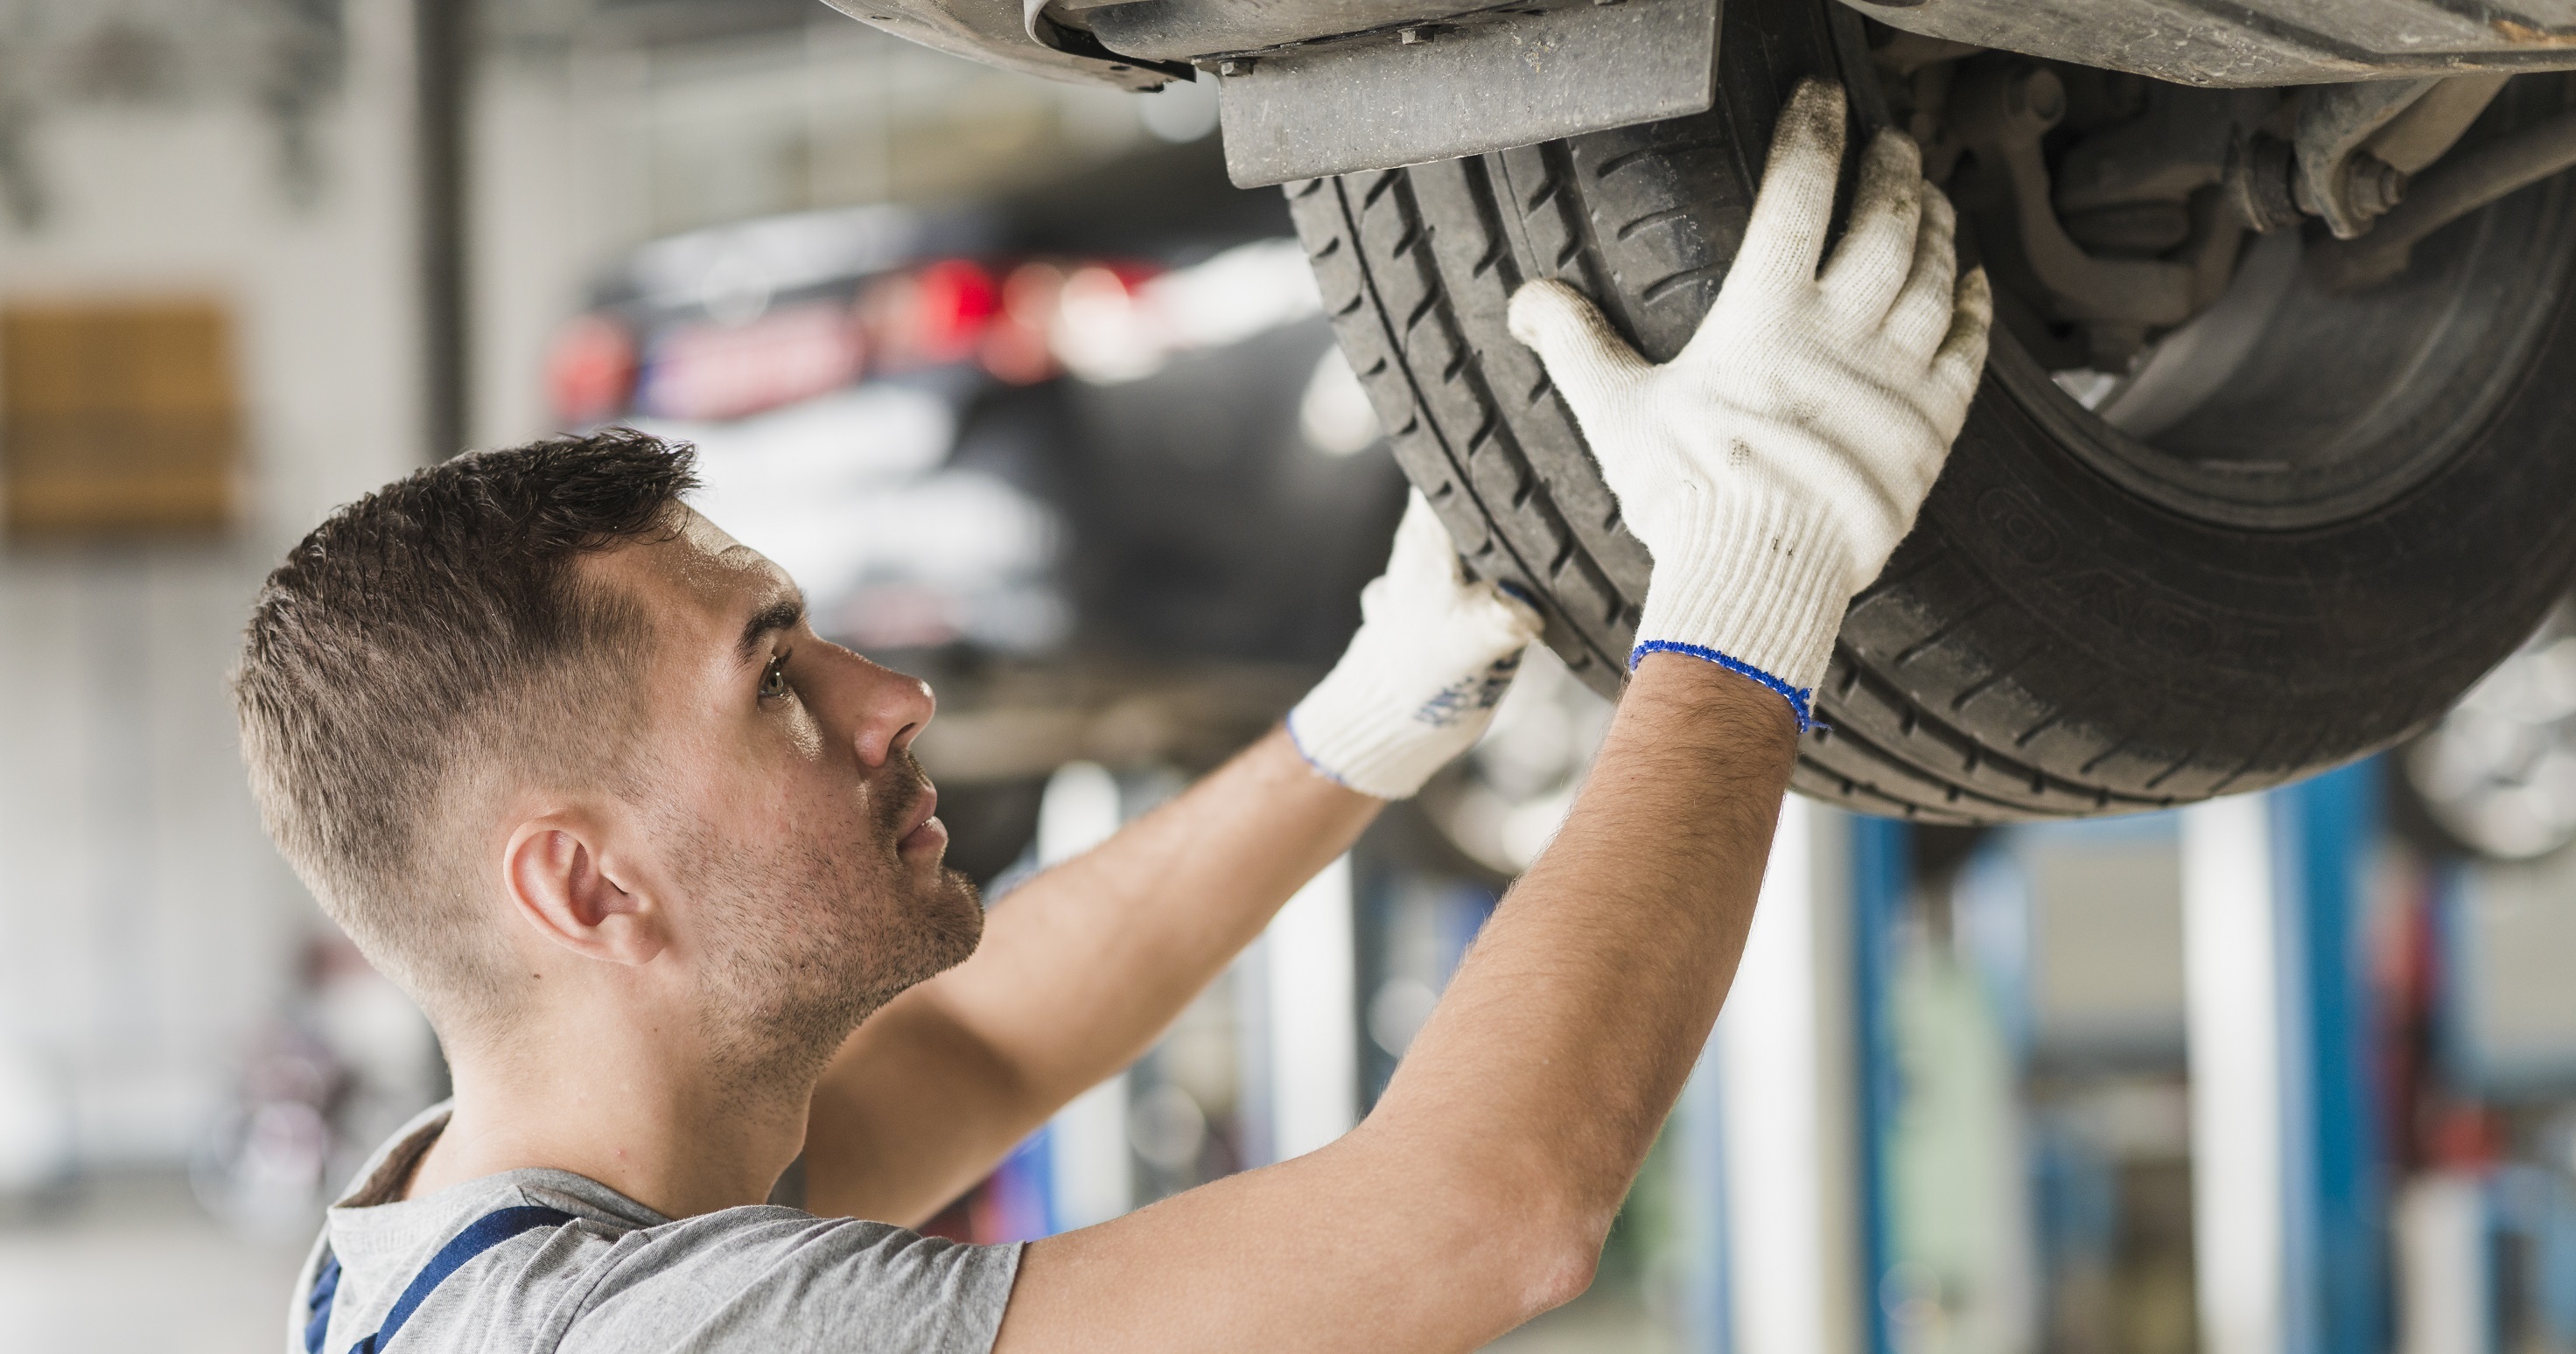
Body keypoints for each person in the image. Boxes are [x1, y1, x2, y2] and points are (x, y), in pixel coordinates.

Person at [240, 79, 1986, 1354]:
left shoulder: (477, 1242)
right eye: (773, 680)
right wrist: (1753, 584)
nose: (891, 696)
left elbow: (973, 1055)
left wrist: (1357, 729)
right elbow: (1481, 1222)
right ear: (584, 890)